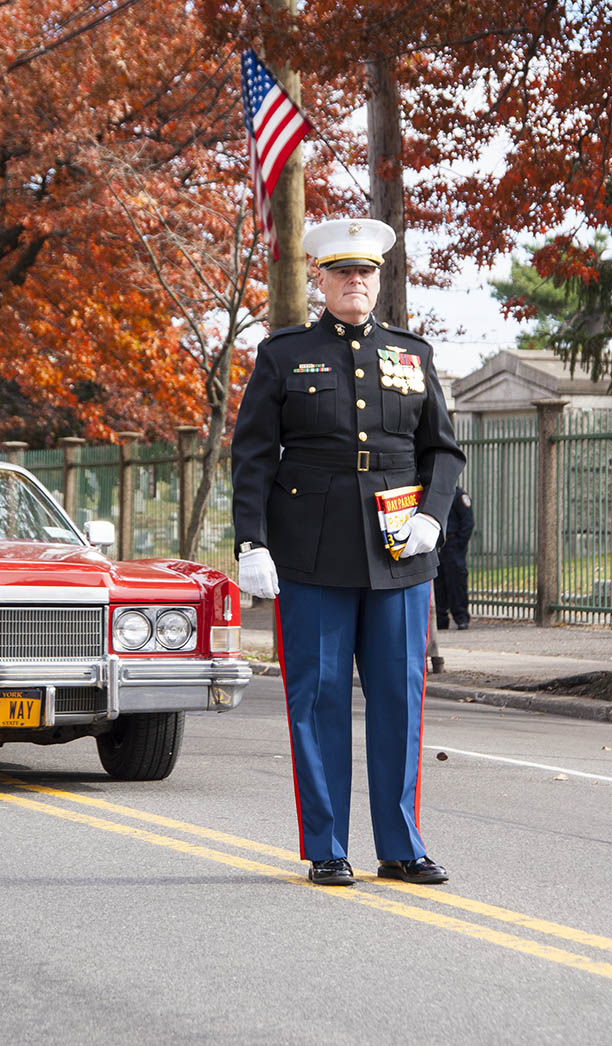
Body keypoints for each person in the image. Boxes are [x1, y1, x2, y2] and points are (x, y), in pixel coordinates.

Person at [231, 217, 466, 886]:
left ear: (379, 280)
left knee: (400, 699)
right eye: (342, 272)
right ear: (322, 280)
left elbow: (443, 451)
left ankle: (400, 845)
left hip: (401, 551)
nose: (355, 282)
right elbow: (252, 456)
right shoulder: (283, 355)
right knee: (320, 698)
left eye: (365, 272)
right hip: (310, 550)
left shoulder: (412, 356)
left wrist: (432, 517)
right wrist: (252, 542)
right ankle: (328, 845)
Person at [434, 485, 474, 630]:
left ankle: (461, 618)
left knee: (456, 582)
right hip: (438, 546)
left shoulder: (459, 496)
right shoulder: (436, 494)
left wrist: (458, 545)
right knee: (439, 584)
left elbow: (467, 523)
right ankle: (440, 619)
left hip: (452, 545)